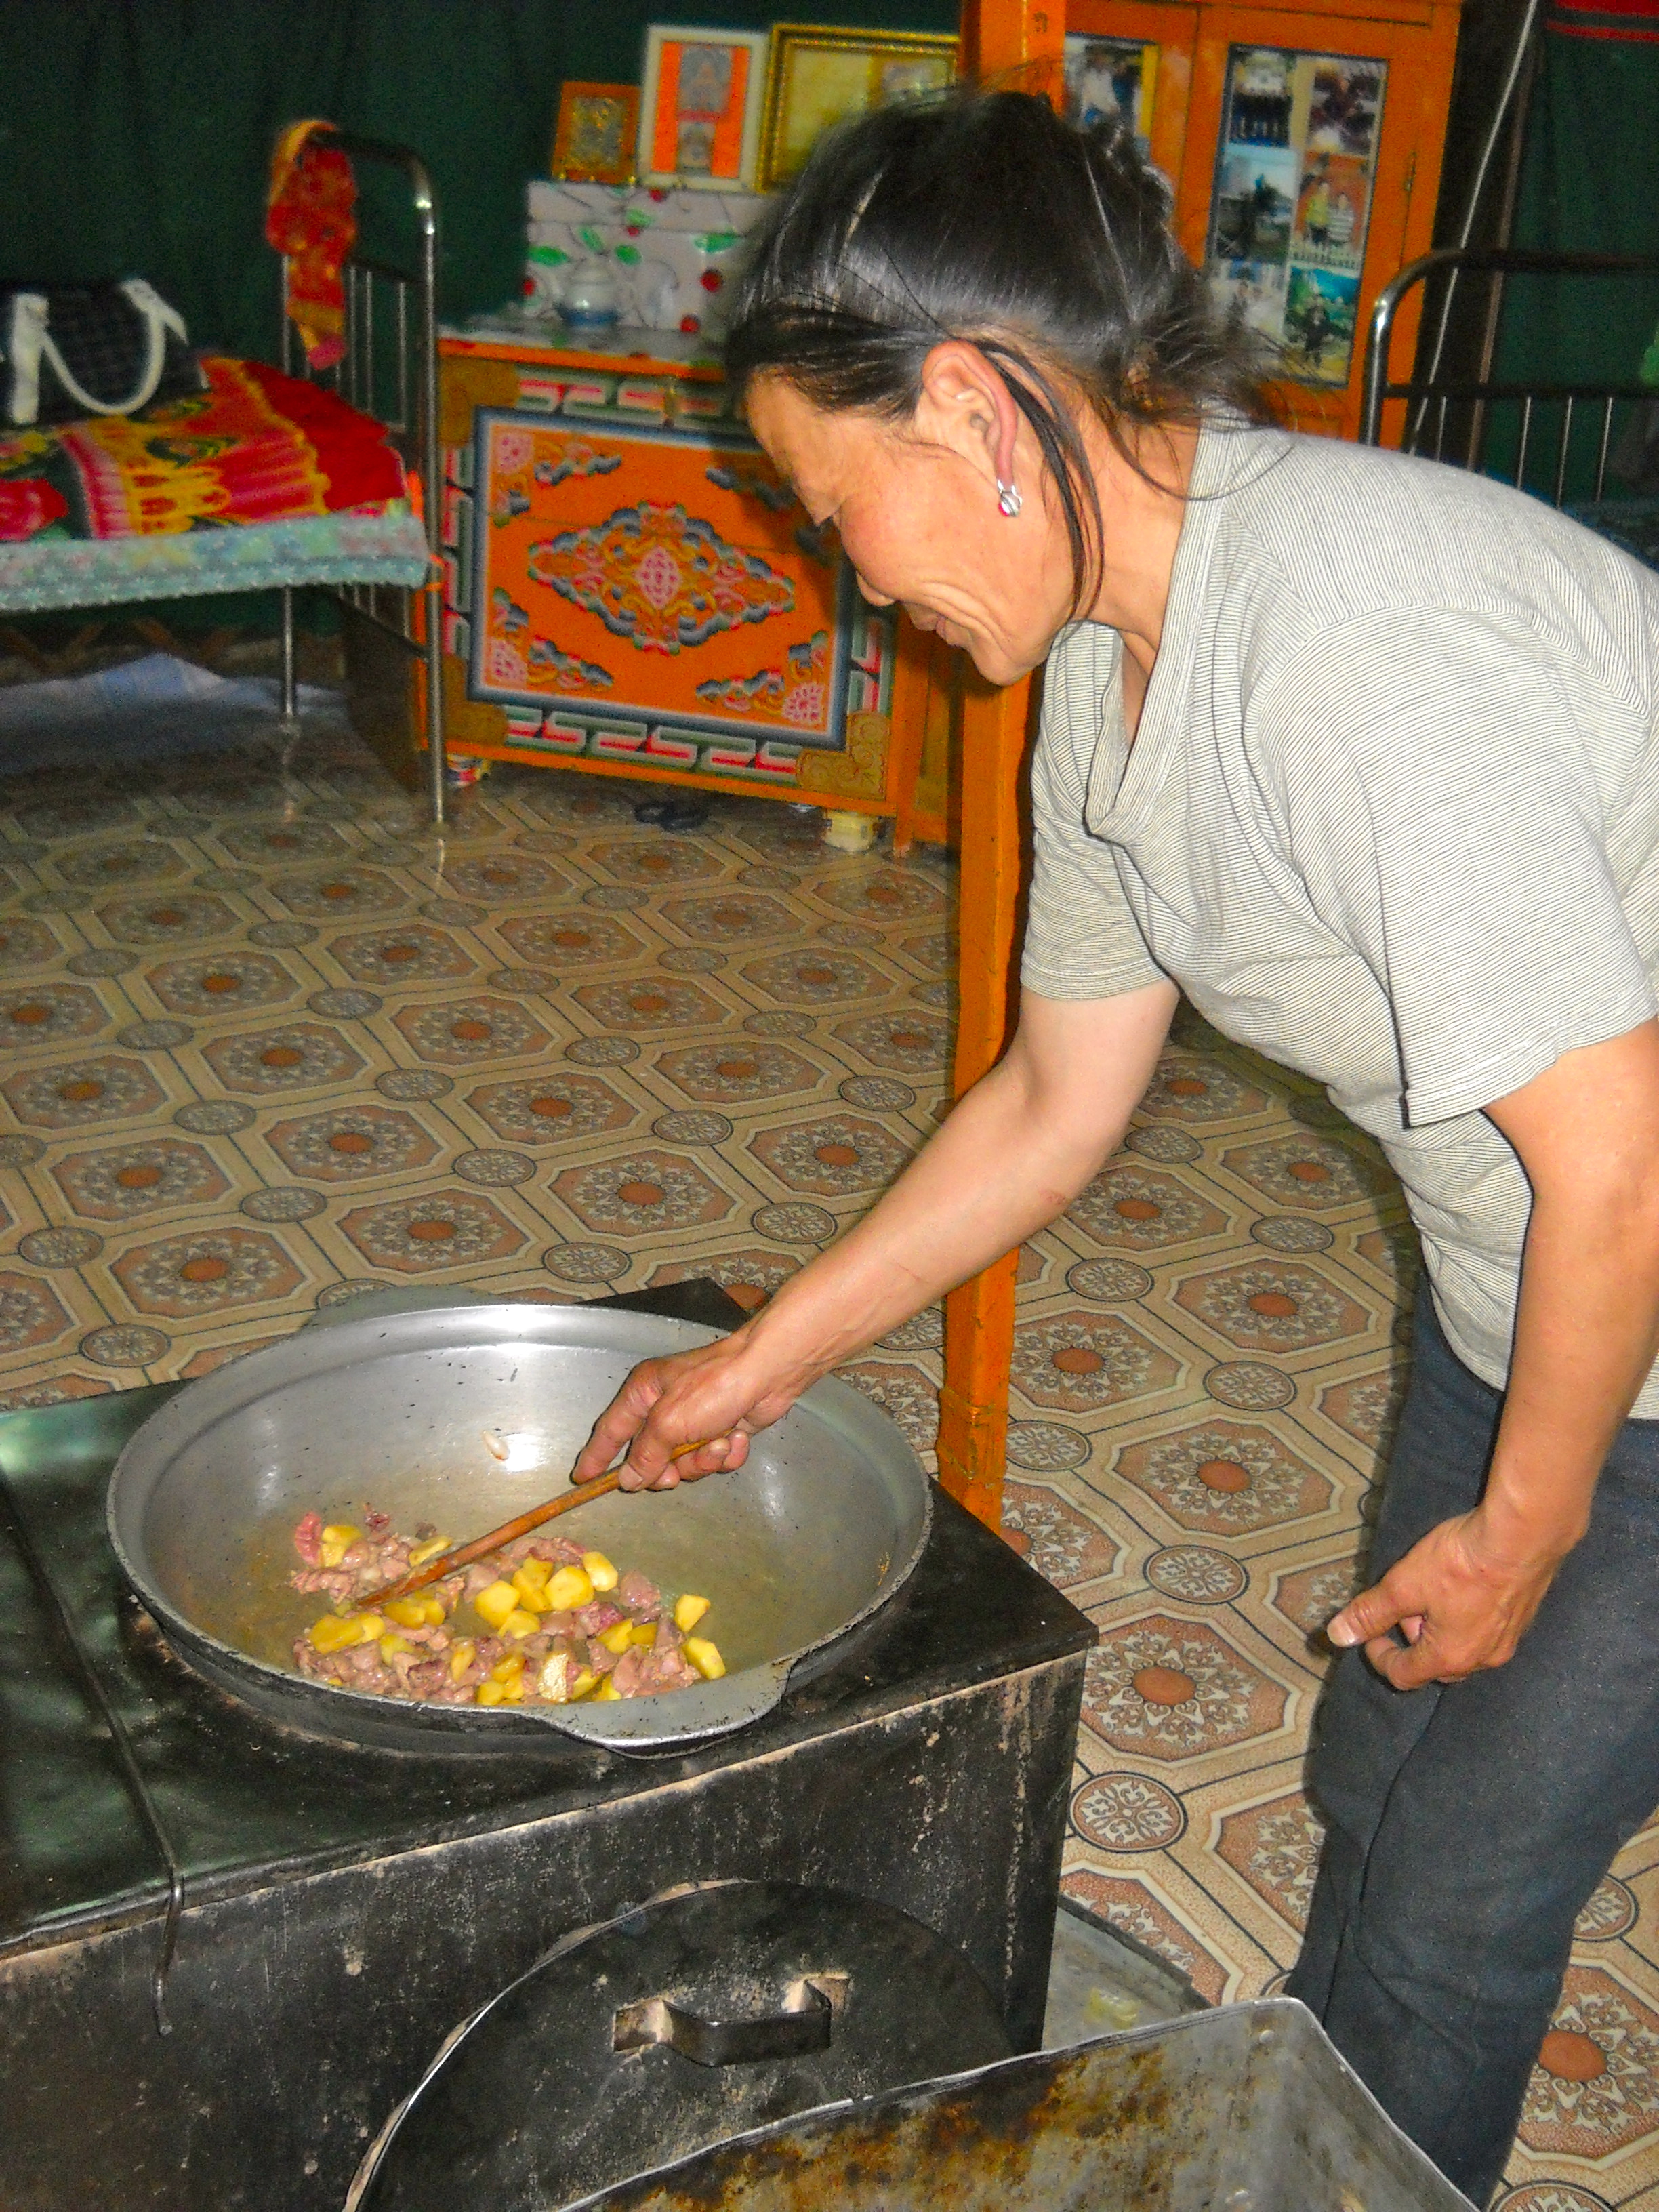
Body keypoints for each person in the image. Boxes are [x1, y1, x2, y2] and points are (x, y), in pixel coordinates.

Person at [573, 89, 1659, 2205]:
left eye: (834, 507)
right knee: (1377, 1762)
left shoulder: (1352, 649)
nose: (847, 576)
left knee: (1461, 1896)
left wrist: (1528, 1531)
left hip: (1629, 1271)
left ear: (974, 410)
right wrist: (760, 1362)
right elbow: (1053, 1104)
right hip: (1526, 1276)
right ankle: (1313, 2134)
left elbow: (1621, 1163)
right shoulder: (1103, 658)